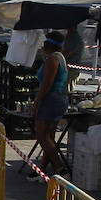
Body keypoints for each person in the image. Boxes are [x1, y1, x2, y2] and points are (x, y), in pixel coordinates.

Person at [31, 30, 71, 177]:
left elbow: (46, 85)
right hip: (58, 98)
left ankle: (60, 167)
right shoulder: (60, 57)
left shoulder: (52, 60)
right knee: (49, 136)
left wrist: (36, 103)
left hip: (51, 99)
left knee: (42, 135)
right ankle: (42, 169)